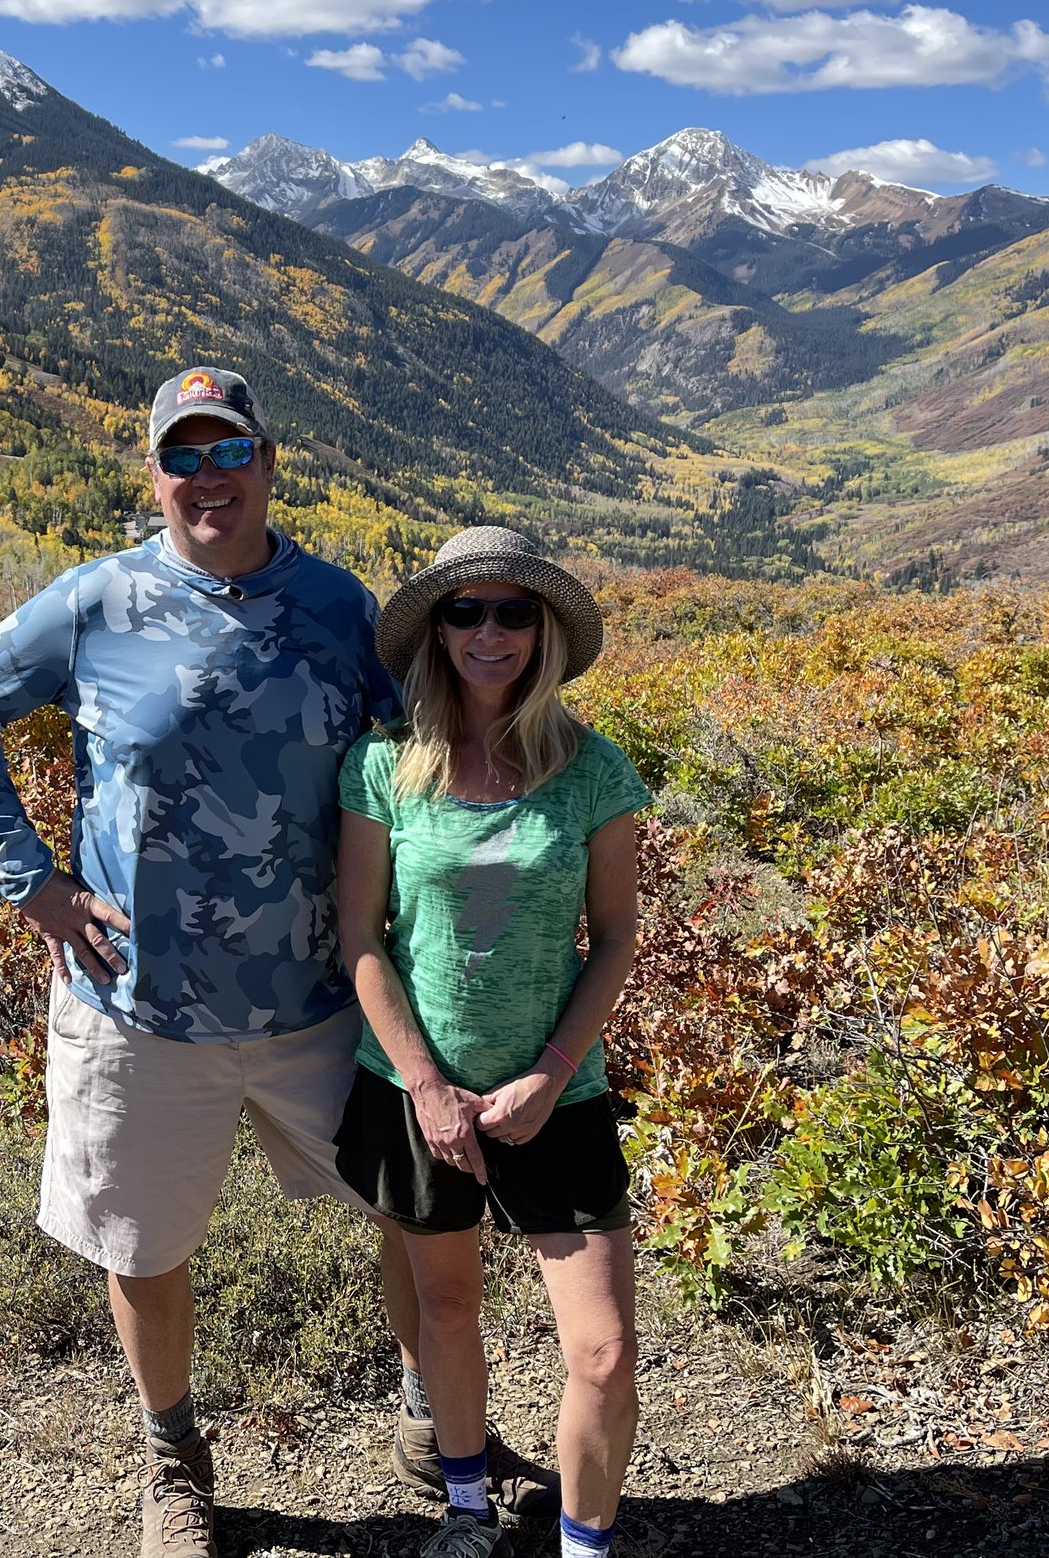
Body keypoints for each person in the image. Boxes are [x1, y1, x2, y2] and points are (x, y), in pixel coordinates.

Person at [0, 370, 549, 1558]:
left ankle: (435, 1426)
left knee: (410, 1209)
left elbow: (413, 751)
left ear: (270, 462)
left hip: (323, 1000)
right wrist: (32, 883)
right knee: (145, 1247)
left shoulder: (333, 603)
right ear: (155, 476)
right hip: (137, 1007)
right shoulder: (92, 604)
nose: (207, 477)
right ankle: (174, 1462)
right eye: (182, 456)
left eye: (230, 452)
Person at [333, 526, 648, 1558]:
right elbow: (362, 940)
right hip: (415, 1090)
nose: (490, 631)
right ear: (435, 631)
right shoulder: (382, 768)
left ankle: (582, 1545)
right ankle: (466, 1511)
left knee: (600, 1353)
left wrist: (551, 1074)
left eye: (516, 611)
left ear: (545, 631)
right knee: (446, 1307)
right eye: (466, 610)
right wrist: (424, 1085)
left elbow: (614, 939)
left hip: (557, 1093)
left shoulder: (594, 772)